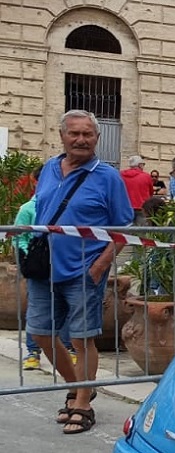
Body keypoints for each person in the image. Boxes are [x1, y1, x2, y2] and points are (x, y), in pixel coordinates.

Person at [27, 109, 134, 435]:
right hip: (43, 269)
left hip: (83, 271)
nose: (81, 140)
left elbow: (123, 225)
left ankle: (83, 403)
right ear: (62, 135)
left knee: (81, 338)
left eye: (88, 134)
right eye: (74, 133)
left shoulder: (108, 177)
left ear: (97, 139)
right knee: (42, 333)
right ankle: (78, 387)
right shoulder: (48, 168)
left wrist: (100, 266)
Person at [13, 195, 75, 371]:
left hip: (63, 265)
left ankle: (67, 348)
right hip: (38, 267)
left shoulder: (67, 206)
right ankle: (33, 352)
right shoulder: (28, 208)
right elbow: (18, 236)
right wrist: (29, 259)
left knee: (66, 308)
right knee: (36, 312)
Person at [120, 155, 153, 224]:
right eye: (143, 164)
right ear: (140, 165)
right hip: (142, 208)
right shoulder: (146, 176)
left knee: (126, 232)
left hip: (125, 208)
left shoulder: (120, 175)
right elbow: (150, 194)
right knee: (142, 232)